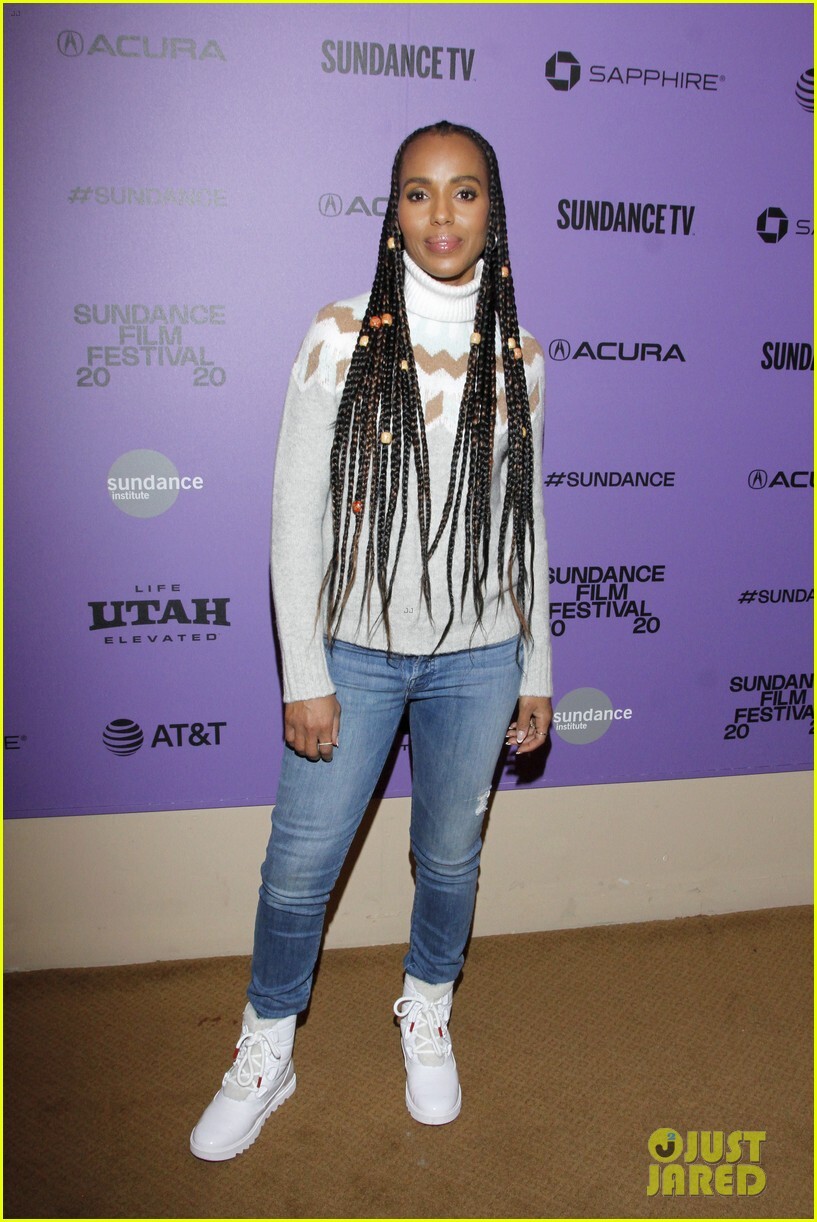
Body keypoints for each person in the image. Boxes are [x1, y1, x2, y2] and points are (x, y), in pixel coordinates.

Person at [190, 120, 553, 1161]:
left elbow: (526, 521)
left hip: (480, 655)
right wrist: (304, 671)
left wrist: (535, 665)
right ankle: (268, 1044)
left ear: (491, 210)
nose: (442, 213)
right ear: (393, 210)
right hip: (352, 650)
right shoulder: (340, 333)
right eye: (418, 192)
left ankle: (427, 1006)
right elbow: (293, 513)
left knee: (449, 856)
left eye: (465, 191)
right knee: (299, 866)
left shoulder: (522, 355)